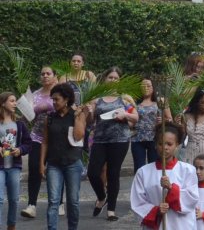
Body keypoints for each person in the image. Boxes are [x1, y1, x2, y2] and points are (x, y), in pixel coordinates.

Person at [86, 67, 138, 221]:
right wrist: (89, 111)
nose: (113, 80)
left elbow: (136, 117)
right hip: (100, 140)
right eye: (110, 77)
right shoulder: (97, 98)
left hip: (120, 140)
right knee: (93, 173)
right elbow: (90, 121)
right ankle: (102, 197)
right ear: (105, 79)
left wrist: (125, 114)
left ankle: (111, 210)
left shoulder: (125, 98)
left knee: (113, 174)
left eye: (116, 78)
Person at [130, 122, 199, 230]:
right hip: (157, 224)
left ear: (177, 145)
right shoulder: (143, 172)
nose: (165, 148)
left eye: (169, 144)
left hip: (181, 224)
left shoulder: (188, 170)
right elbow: (137, 203)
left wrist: (171, 188)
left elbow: (192, 199)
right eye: (161, 144)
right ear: (155, 145)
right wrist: (156, 210)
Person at [41, 83, 88, 230]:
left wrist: (77, 116)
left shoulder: (77, 115)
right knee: (53, 201)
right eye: (52, 99)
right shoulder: (49, 118)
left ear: (66, 99)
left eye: (57, 99)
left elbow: (79, 136)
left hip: (73, 163)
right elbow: (45, 142)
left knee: (73, 201)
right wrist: (41, 163)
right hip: (53, 164)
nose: (54, 102)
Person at [22, 65, 58, 219]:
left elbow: (68, 111)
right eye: (42, 74)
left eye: (48, 73)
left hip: (57, 138)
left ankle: (58, 203)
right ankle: (31, 205)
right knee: (34, 169)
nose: (45, 76)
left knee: (56, 170)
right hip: (37, 136)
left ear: (54, 76)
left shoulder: (61, 93)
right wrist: (26, 111)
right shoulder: (34, 95)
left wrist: (48, 107)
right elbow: (28, 117)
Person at [0, 91, 32, 230]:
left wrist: (20, 150)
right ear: (2, 103)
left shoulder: (19, 124)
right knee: (0, 199)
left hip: (14, 166)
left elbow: (28, 143)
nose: (15, 103)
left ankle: (11, 226)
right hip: (0, 166)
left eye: (15, 101)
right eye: (12, 101)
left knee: (14, 199)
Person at [132, 78, 170, 172]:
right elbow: (131, 121)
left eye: (148, 85)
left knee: (154, 166)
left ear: (153, 88)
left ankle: (154, 186)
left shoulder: (160, 101)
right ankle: (140, 186)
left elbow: (169, 119)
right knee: (139, 168)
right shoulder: (134, 102)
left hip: (155, 138)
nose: (146, 88)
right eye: (143, 86)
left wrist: (163, 121)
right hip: (137, 138)